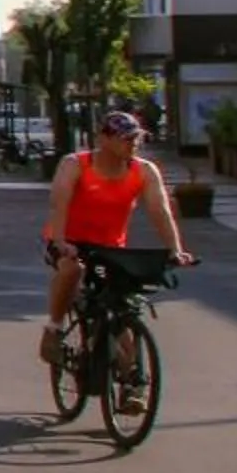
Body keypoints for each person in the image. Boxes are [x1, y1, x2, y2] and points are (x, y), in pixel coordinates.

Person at [38, 110, 195, 366]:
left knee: (120, 304)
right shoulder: (76, 164)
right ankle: (53, 329)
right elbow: (59, 204)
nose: (133, 144)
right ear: (104, 139)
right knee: (71, 270)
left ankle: (133, 382)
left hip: (111, 247)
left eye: (136, 138)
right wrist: (60, 242)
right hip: (70, 240)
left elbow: (160, 210)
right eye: (126, 138)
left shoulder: (144, 171)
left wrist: (175, 249)